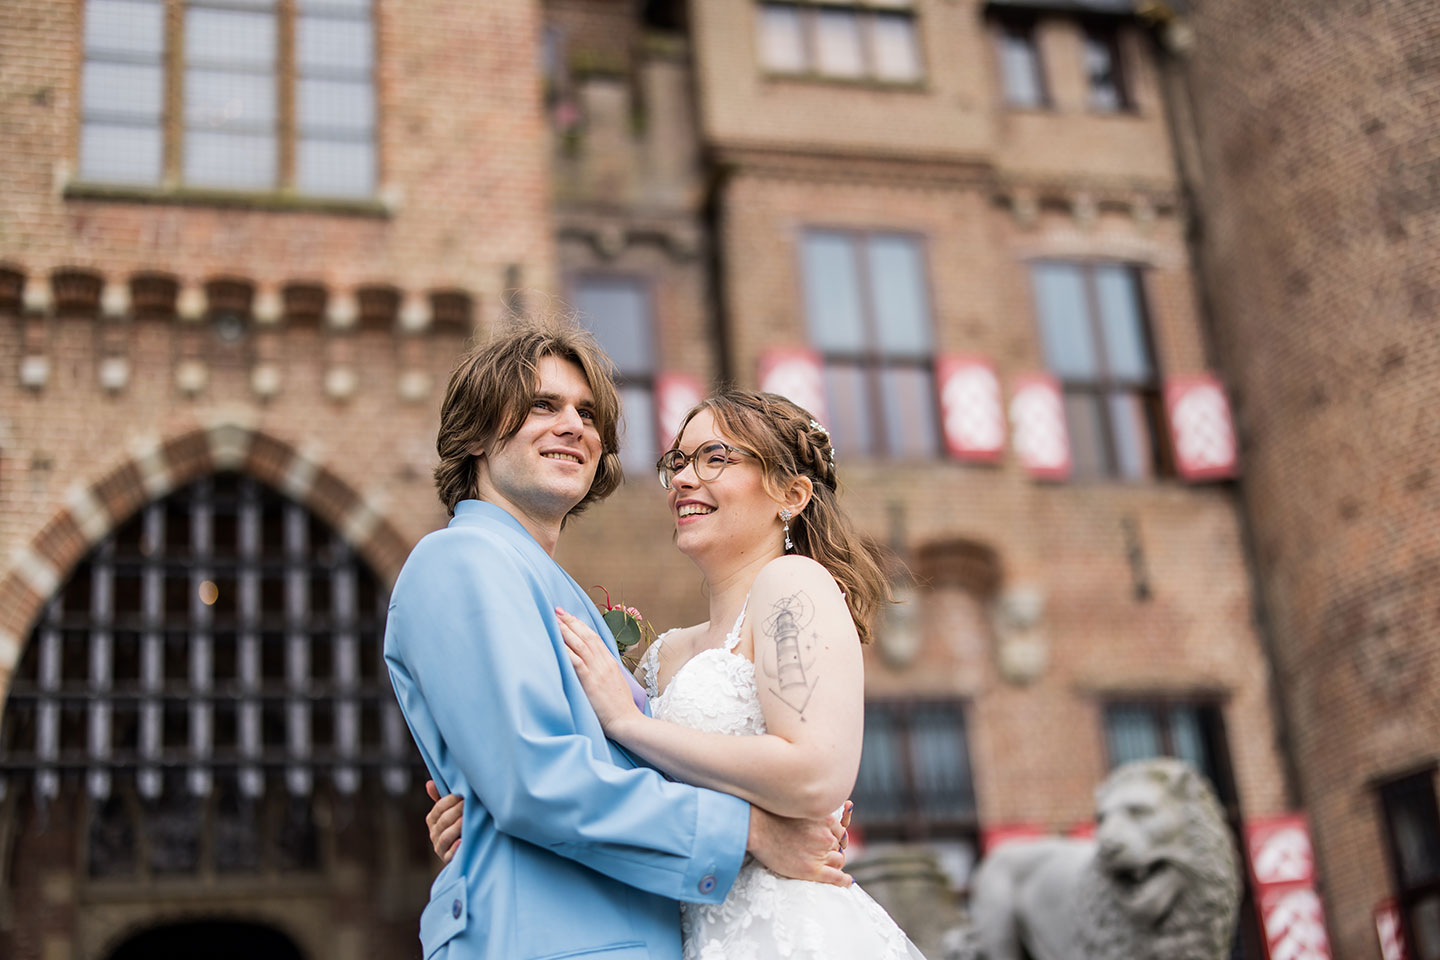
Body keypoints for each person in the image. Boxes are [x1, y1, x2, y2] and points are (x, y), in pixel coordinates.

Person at [385, 323, 852, 960]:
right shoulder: (463, 559)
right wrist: (751, 831)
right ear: (477, 433)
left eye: (587, 412)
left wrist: (490, 814)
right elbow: (534, 780)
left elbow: (559, 772)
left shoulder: (550, 586)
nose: (573, 424)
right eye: (542, 405)